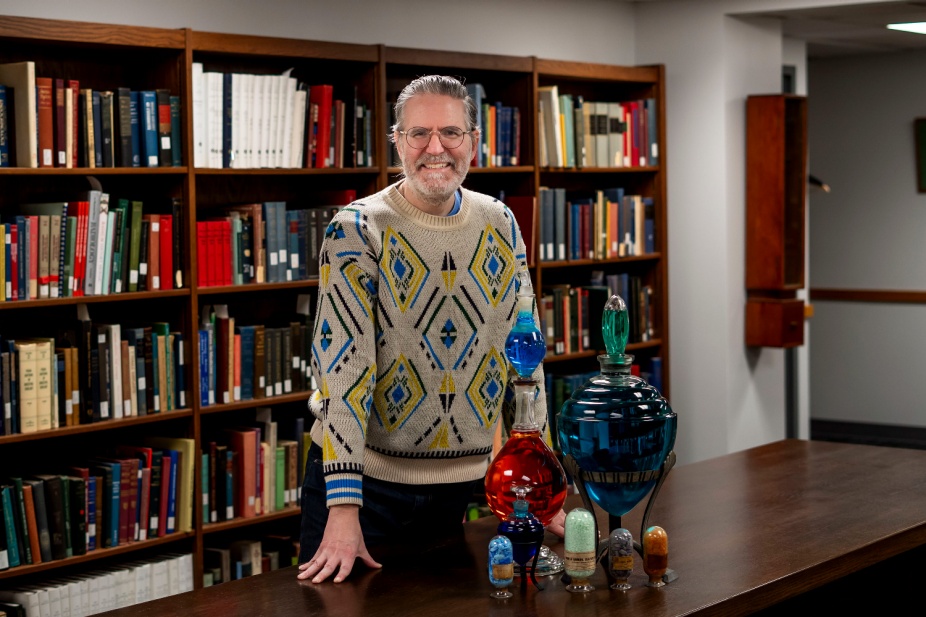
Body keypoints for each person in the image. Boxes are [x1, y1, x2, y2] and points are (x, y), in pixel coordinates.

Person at [297, 75, 564, 584]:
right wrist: (344, 506)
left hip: (460, 488)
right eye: (418, 134)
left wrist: (538, 475)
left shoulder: (501, 222)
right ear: (397, 141)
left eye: (450, 133)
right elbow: (343, 370)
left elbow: (524, 360)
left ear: (473, 143)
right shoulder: (355, 229)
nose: (435, 148)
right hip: (366, 489)